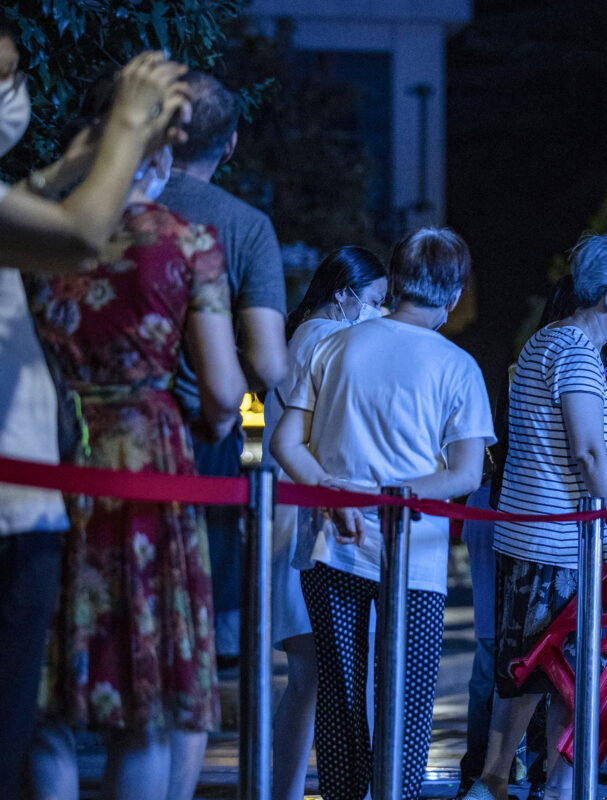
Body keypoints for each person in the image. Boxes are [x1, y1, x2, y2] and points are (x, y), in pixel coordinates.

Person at [25, 68, 244, 800]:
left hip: (47, 448)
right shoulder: (188, 242)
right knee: (143, 698)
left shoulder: (35, 231)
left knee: (45, 689)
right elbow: (220, 389)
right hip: (147, 458)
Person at [0, 46, 193, 799]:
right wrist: (125, 120)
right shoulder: (187, 245)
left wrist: (81, 161)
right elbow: (77, 235)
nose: (14, 90)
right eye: (6, 73)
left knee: (34, 716)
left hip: (40, 495)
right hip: (22, 507)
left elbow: (39, 213)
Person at [271, 228, 493, 800]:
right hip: (414, 557)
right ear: (452, 295)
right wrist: (396, 492)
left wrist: (335, 491)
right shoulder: (459, 366)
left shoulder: (333, 344)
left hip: (333, 545)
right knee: (409, 698)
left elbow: (284, 444)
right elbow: (466, 472)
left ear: (394, 282)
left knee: (342, 698)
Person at [466, 233, 607, 800]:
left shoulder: (545, 343)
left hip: (528, 530)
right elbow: (590, 452)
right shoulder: (574, 352)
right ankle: (502, 782)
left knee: (546, 674)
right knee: (540, 672)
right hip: (554, 540)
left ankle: (545, 783)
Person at [158, 70, 288, 665]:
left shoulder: (99, 209)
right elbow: (267, 364)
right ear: (229, 143)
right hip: (215, 432)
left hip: (99, 429)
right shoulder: (244, 226)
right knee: (206, 603)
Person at [260, 246, 388, 800]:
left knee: (309, 676)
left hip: (299, 514)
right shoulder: (322, 340)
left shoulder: (306, 336)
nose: (380, 313)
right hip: (311, 520)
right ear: (344, 294)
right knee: (318, 673)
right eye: (376, 302)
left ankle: (278, 789)